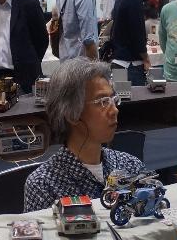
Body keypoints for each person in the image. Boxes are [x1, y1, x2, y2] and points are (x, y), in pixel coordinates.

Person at [23, 58, 146, 211]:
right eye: (102, 102)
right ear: (71, 114)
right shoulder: (43, 185)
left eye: (114, 99)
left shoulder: (130, 166)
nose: (114, 110)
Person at [110, 0, 156, 86]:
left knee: (122, 97)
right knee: (137, 98)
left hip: (119, 61)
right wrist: (146, 59)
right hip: (131, 65)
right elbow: (137, 34)